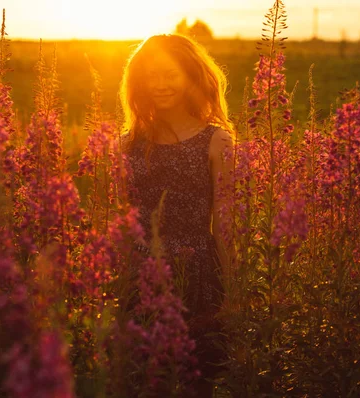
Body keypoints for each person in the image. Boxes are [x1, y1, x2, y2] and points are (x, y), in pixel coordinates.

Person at [119, 34, 234, 397]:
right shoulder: (126, 143)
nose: (161, 84)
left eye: (170, 74)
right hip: (141, 273)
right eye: (151, 76)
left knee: (197, 382)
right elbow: (118, 218)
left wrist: (234, 291)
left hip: (197, 274)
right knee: (142, 380)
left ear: (191, 76)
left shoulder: (218, 140)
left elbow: (226, 221)